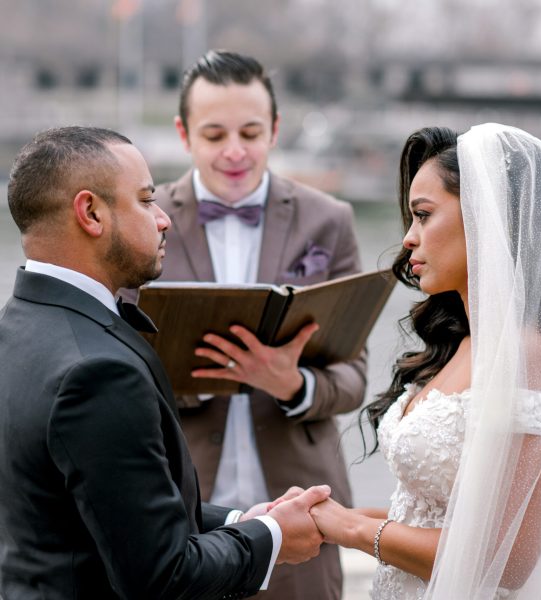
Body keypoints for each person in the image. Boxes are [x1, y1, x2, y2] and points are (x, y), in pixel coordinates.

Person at [0, 126, 333, 599]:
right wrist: (274, 538)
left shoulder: (15, 326)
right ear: (90, 212)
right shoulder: (96, 373)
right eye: (145, 199)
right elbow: (163, 577)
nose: (163, 219)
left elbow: (108, 503)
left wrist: (244, 520)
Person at [309, 123, 541, 599]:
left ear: (486, 216)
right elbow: (434, 516)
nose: (407, 239)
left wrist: (351, 531)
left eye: (423, 216)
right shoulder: (462, 347)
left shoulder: (533, 357)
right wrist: (325, 515)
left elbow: (507, 560)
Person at [129, 50, 367, 599]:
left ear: (276, 130)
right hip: (183, 511)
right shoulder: (142, 220)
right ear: (184, 134)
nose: (235, 151)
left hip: (304, 508)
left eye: (251, 132)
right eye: (214, 135)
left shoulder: (329, 220)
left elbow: (354, 375)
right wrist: (194, 379)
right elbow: (116, 365)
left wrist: (293, 384)